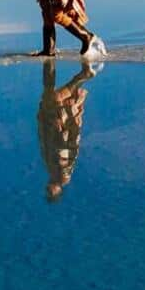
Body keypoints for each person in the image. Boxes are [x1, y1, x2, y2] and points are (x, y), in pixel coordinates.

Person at [37, 57, 98, 202]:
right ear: (58, 191)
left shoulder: (52, 173)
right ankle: (82, 76)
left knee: (48, 93)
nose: (48, 189)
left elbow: (47, 146)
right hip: (61, 126)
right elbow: (69, 147)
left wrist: (43, 123)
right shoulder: (63, 175)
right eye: (51, 193)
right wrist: (66, 125)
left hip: (51, 125)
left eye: (47, 192)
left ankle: (49, 59)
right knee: (56, 98)